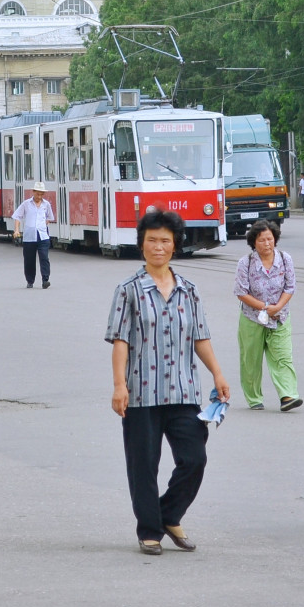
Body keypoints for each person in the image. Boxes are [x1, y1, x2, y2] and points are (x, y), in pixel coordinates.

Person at [106, 209, 231, 555]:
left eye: (165, 240)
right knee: (143, 466)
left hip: (183, 391)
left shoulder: (189, 290)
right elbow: (121, 341)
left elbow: (200, 337)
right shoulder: (128, 290)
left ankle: (169, 514)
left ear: (175, 245)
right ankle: (149, 530)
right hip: (142, 394)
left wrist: (218, 373)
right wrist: (120, 385)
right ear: (142, 245)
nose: (158, 247)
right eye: (151, 241)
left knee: (194, 459)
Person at [233, 220, 301, 412]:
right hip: (252, 318)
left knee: (283, 356)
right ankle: (254, 398)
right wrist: (264, 307)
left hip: (280, 316)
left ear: (275, 240)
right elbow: (241, 292)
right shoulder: (245, 263)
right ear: (254, 242)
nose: (266, 244)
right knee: (250, 360)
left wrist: (277, 307)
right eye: (261, 240)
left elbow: (290, 287)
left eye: (269, 239)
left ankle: (288, 395)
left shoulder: (285, 259)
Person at [12, 182, 56, 289]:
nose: (39, 196)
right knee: (29, 260)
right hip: (29, 237)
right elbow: (17, 217)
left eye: (42, 194)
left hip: (43, 236)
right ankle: (30, 280)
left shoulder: (46, 205)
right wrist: (17, 230)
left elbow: (49, 218)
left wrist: (41, 225)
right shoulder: (26, 204)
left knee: (44, 258)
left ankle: (45, 280)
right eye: (38, 194)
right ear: (33, 192)